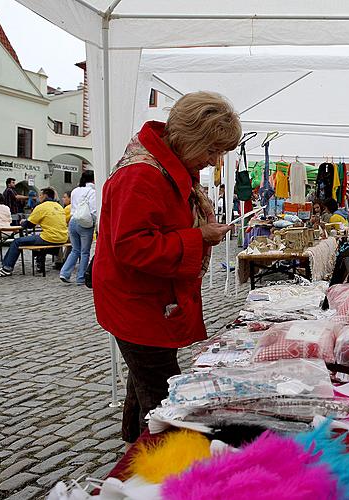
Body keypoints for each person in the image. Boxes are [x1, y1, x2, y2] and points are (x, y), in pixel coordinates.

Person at [93, 91, 239, 445]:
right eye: (212, 150)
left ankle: (132, 447)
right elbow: (131, 246)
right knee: (163, 393)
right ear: (191, 138)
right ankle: (161, 464)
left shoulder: (165, 165)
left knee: (144, 379)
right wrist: (198, 236)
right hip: (138, 303)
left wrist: (198, 235)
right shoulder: (142, 174)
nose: (214, 160)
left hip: (149, 300)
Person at [0, 187, 69, 277]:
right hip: (63, 237)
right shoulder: (59, 206)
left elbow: (29, 224)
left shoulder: (42, 207)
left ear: (45, 195)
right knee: (36, 238)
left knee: (16, 242)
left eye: (40, 195)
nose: (39, 197)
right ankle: (39, 263)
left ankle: (6, 268)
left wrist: (23, 222)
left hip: (50, 237)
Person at [60, 170, 97, 284]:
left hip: (73, 220)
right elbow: (93, 209)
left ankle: (65, 273)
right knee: (85, 252)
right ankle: (80, 277)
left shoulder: (75, 191)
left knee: (75, 250)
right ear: (93, 179)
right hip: (85, 223)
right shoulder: (92, 191)